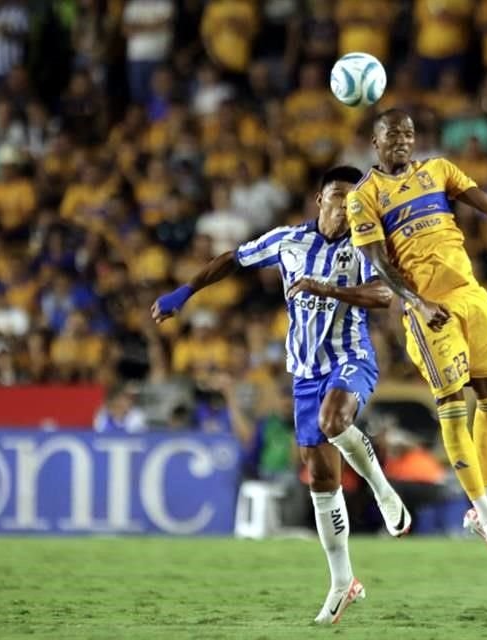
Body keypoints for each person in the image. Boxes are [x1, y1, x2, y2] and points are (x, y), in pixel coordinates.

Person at [152, 166, 409, 625]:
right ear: (319, 199)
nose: (344, 206)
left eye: (354, 200)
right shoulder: (289, 241)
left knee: (337, 422)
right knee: (322, 480)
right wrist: (185, 291)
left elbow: (385, 295)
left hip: (350, 357)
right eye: (337, 196)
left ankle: (382, 489)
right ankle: (342, 581)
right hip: (305, 374)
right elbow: (234, 258)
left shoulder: (365, 244)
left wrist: (325, 287)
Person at [345, 108, 487, 562]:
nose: (403, 140)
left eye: (408, 132)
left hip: (471, 296)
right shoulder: (363, 197)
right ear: (375, 143)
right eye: (393, 135)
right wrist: (417, 302)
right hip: (429, 308)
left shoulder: (439, 170)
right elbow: (379, 263)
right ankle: (483, 512)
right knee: (453, 404)